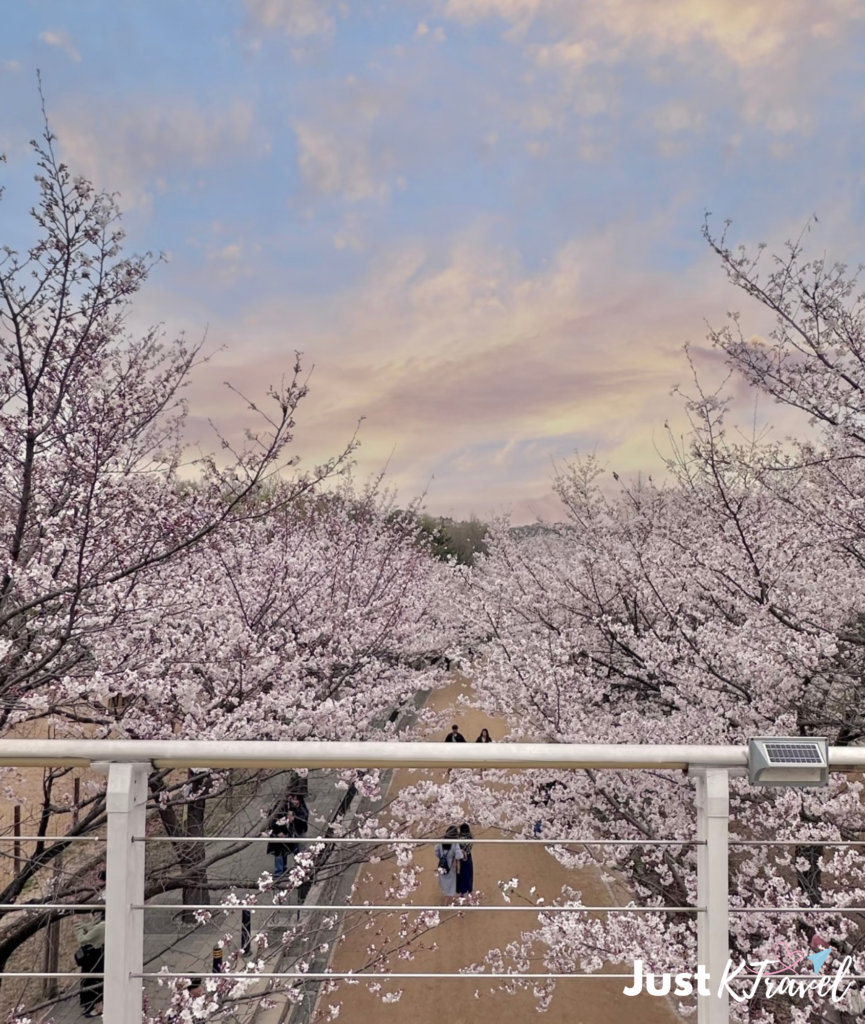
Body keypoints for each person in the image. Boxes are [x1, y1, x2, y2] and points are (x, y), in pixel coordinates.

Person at [266, 792, 309, 877]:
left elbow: (304, 819)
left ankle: (299, 870)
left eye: (296, 799)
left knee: (298, 851)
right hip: (282, 832)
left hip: (297, 833)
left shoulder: (301, 808)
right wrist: (279, 831)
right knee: (280, 852)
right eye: (293, 799)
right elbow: (273, 819)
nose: (294, 801)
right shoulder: (283, 805)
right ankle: (279, 872)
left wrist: (294, 819)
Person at [74, 910, 105, 1017]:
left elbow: (83, 939)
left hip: (96, 957)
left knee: (94, 981)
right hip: (99, 955)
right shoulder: (103, 924)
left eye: (95, 913)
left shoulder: (101, 927)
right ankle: (94, 1005)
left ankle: (99, 1007)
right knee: (92, 980)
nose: (93, 915)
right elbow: (91, 928)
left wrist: (77, 925)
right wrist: (81, 923)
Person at [434, 826, 464, 903]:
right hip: (450, 866)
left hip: (442, 864)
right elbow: (459, 856)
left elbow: (437, 851)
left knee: (444, 883)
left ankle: (448, 899)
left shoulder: (441, 841)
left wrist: (442, 857)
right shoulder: (455, 844)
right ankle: (446, 903)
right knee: (450, 884)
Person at [456, 823, 474, 896]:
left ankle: (461, 892)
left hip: (461, 857)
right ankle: (469, 890)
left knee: (461, 875)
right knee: (469, 874)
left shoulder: (459, 839)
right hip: (469, 856)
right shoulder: (471, 837)